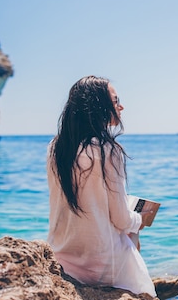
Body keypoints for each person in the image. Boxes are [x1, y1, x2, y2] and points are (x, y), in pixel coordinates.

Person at [46, 75, 157, 297]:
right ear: (99, 107)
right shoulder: (108, 150)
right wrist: (141, 220)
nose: (121, 106)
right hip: (100, 264)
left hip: (63, 257)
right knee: (133, 229)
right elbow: (121, 220)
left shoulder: (56, 147)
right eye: (116, 101)